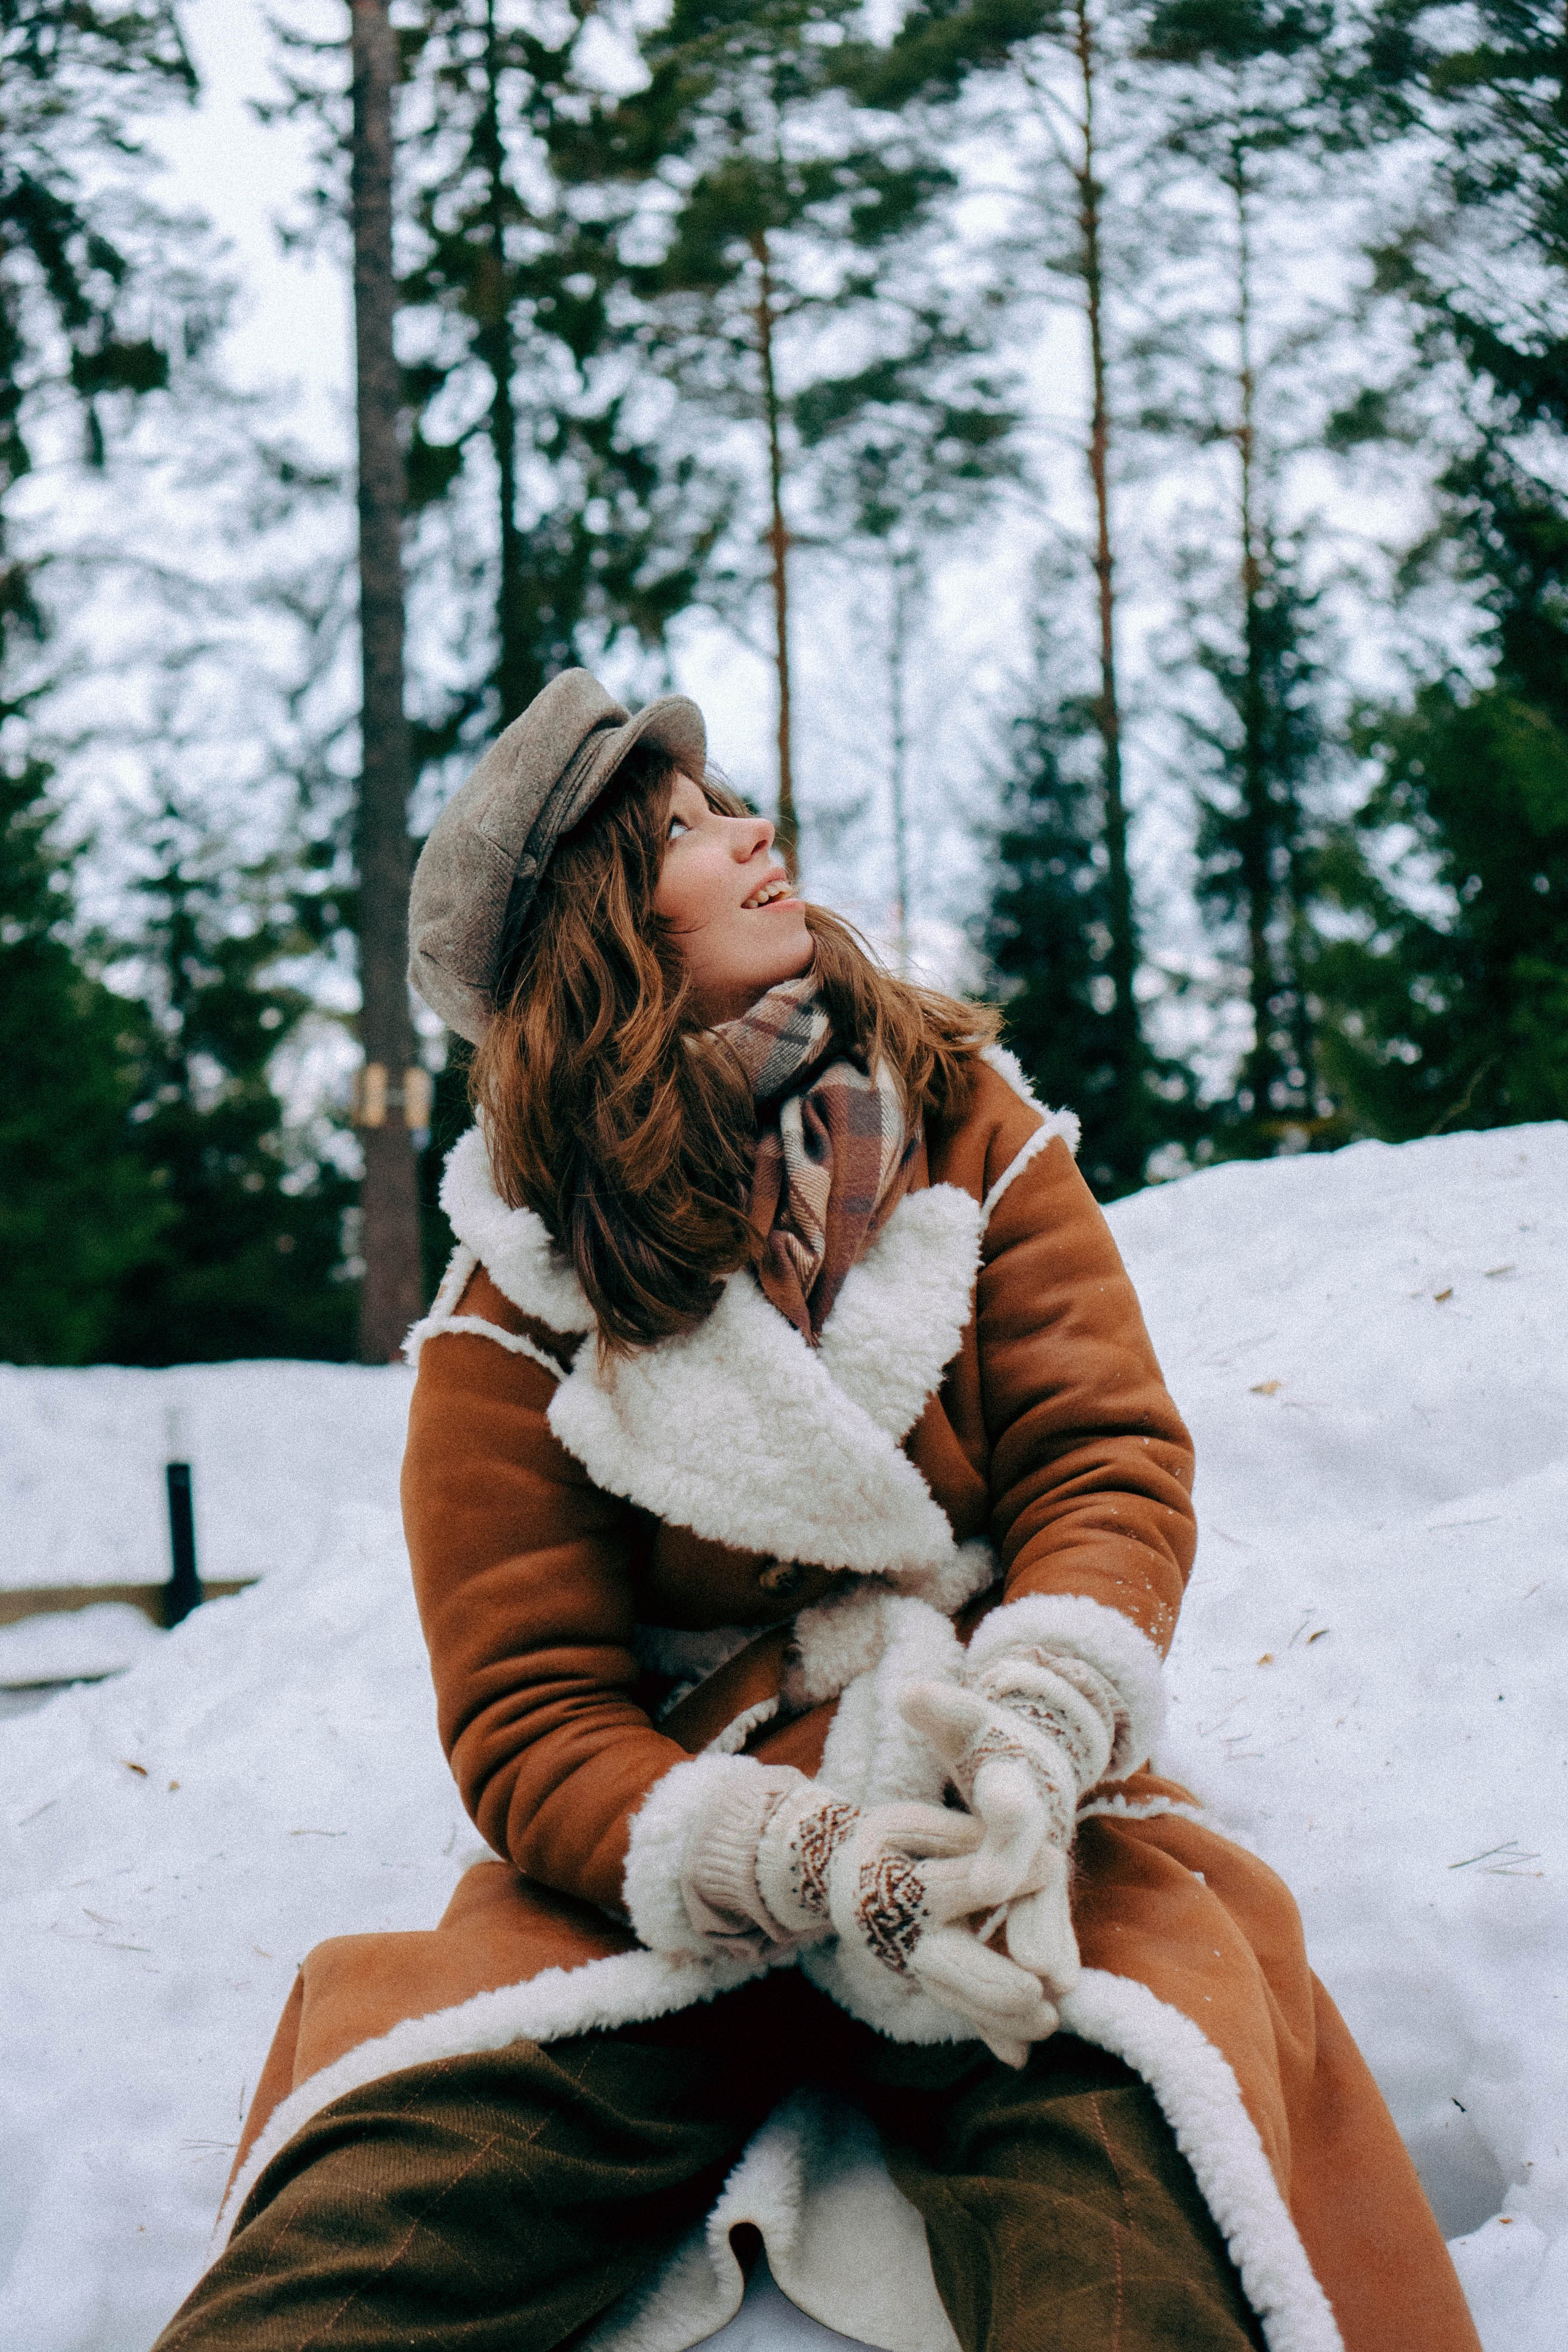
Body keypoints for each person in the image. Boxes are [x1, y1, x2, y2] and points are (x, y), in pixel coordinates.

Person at [153, 671, 1480, 2352]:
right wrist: (792, 1854)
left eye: (729, 805)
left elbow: (1103, 1461)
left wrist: (1036, 1722)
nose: (753, 829)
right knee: (367, 2242)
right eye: (686, 833)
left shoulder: (968, 1128)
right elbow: (530, 1714)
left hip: (990, 1811)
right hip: (671, 1863)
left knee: (1128, 2215)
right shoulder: (511, 1310)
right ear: (601, 935)